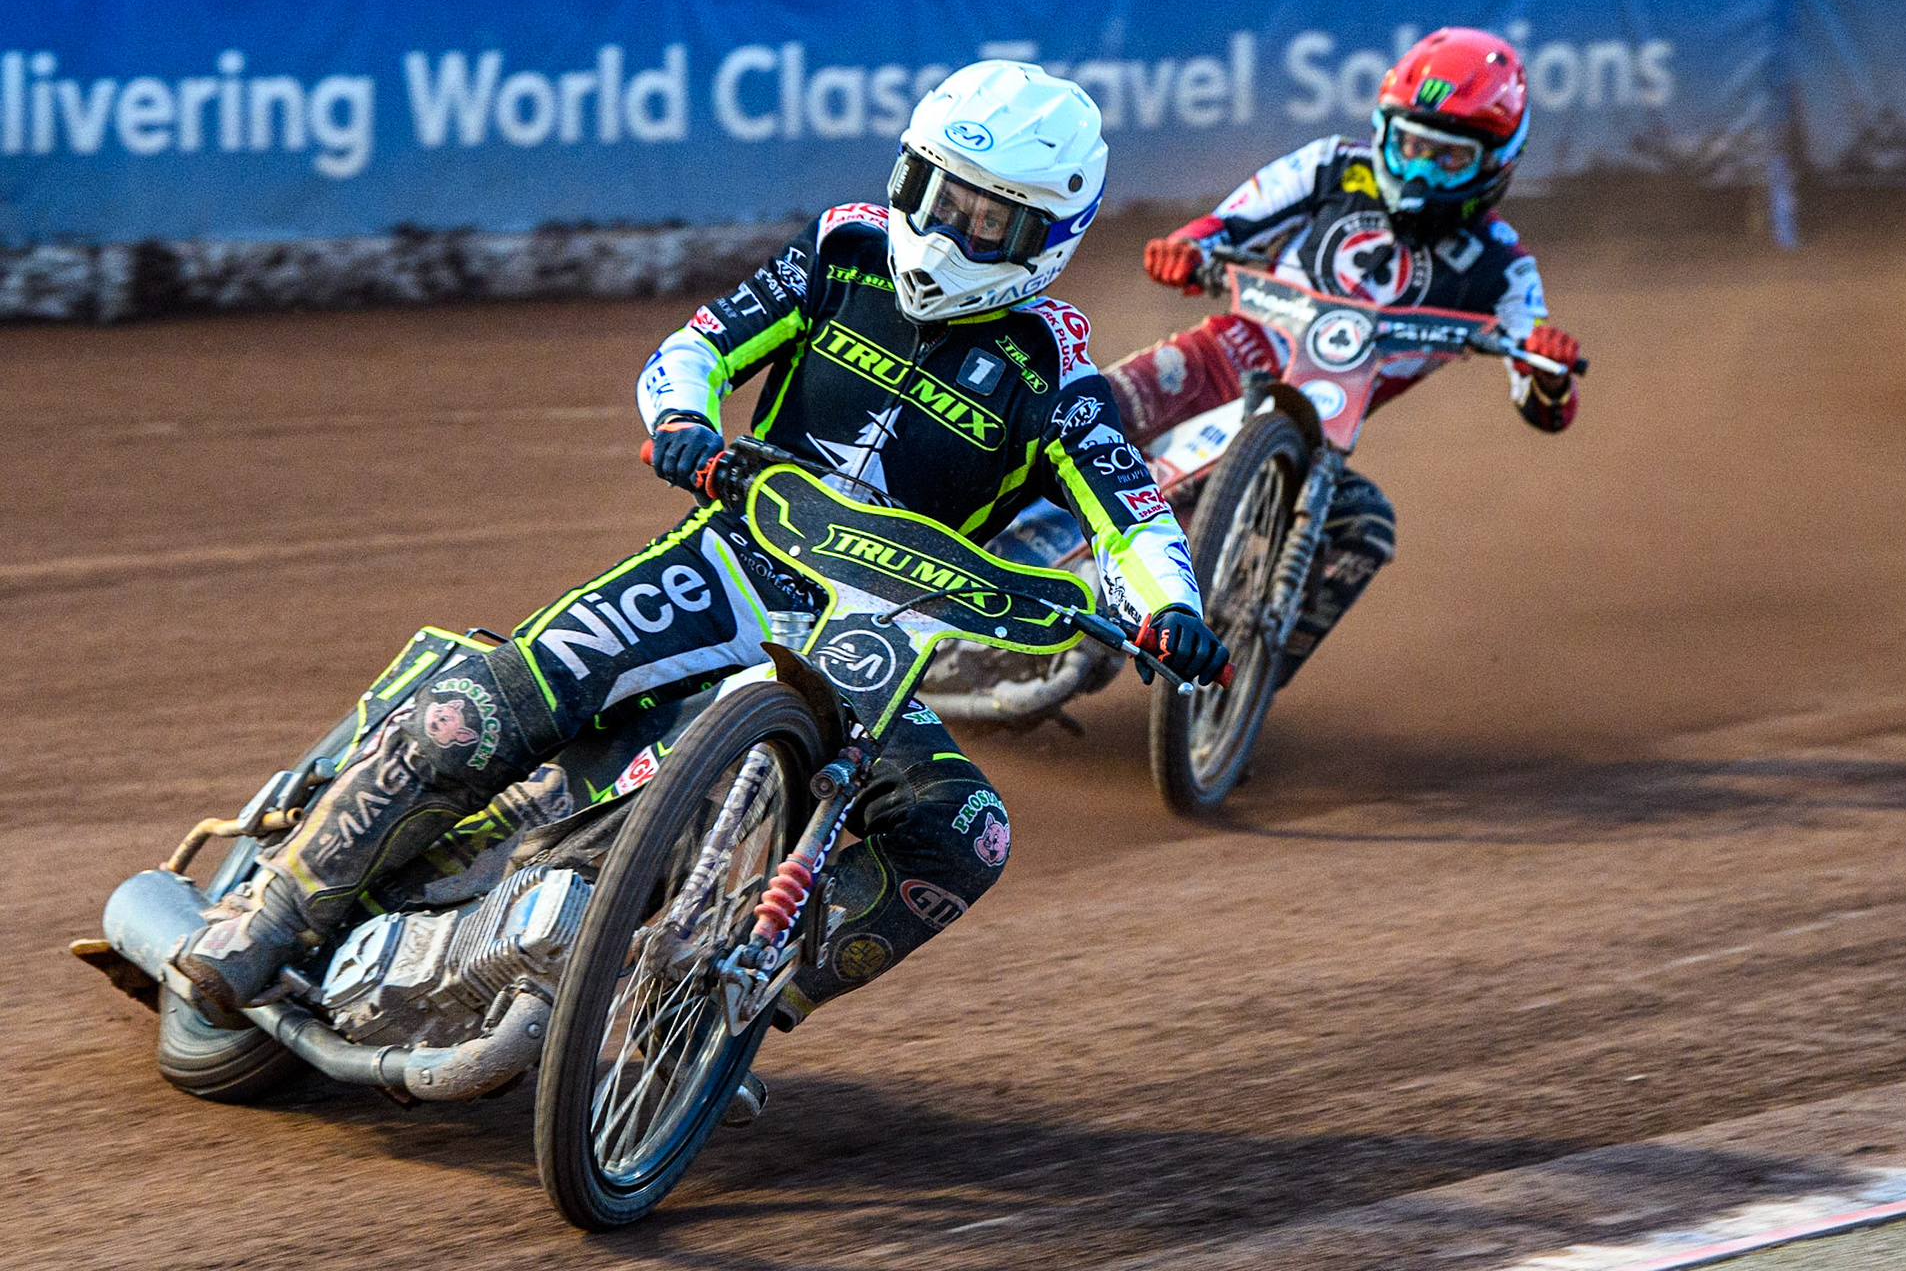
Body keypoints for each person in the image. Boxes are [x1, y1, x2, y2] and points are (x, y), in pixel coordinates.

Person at [168, 61, 1228, 1118]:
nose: (949, 229)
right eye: (938, 193)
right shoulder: (843, 247)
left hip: (871, 641)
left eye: (988, 218)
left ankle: (729, 1005)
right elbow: (699, 345)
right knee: (479, 708)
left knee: (967, 833)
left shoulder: (1058, 370)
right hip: (727, 559)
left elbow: (1132, 512)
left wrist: (1171, 608)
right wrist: (683, 420)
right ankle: (269, 916)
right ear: (906, 173)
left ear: (1047, 237)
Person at [1107, 26, 1584, 686]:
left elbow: (1545, 403)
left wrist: (1545, 371)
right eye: (1409, 145)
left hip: (1317, 439)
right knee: (1081, 409)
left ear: (1495, 163)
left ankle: (1237, 696)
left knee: (1366, 528)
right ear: (1383, 128)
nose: (1418, 170)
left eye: (1445, 159)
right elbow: (1228, 224)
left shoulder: (1503, 267)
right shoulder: (1333, 165)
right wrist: (1186, 248)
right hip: (1221, 357)